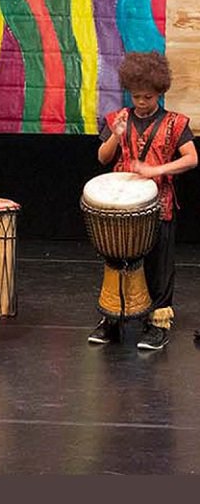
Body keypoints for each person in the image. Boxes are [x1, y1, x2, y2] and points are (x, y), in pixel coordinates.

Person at [88, 51, 196, 350]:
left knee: (158, 267)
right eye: (136, 96)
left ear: (160, 92)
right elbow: (102, 158)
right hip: (123, 206)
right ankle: (113, 318)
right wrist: (115, 136)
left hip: (158, 203)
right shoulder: (119, 118)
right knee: (118, 262)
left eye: (147, 97)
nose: (141, 102)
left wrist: (156, 170)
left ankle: (158, 323)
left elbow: (192, 158)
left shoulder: (175, 123)